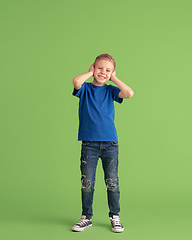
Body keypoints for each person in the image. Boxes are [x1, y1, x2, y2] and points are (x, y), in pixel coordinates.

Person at [71, 54, 133, 233]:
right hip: (89, 144)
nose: (102, 72)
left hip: (110, 144)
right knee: (87, 182)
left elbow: (129, 93)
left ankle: (115, 216)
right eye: (99, 68)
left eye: (107, 70)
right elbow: (76, 82)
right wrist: (89, 73)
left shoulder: (111, 90)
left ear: (112, 73)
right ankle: (86, 217)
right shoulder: (86, 89)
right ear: (93, 68)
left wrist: (113, 77)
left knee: (112, 182)